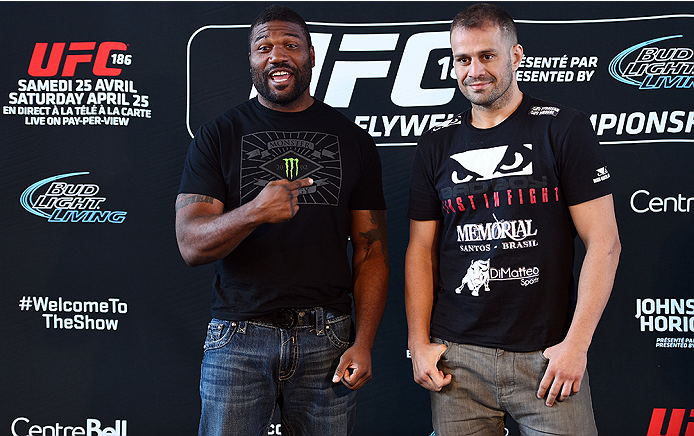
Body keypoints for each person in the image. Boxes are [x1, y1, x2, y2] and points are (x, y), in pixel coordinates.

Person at [405, 3, 620, 435]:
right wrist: (418, 341)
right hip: (457, 362)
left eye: (487, 56)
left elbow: (605, 243)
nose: (474, 70)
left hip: (546, 359)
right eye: (463, 59)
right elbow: (421, 249)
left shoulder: (561, 128)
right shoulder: (436, 144)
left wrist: (576, 345)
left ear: (516, 56)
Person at [175, 5, 389, 436]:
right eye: (264, 47)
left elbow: (371, 250)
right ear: (251, 61)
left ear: (311, 56)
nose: (277, 55)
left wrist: (362, 343)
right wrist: (255, 211)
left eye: (291, 45)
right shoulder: (219, 135)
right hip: (238, 337)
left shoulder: (353, 140)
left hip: (327, 339)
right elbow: (191, 244)